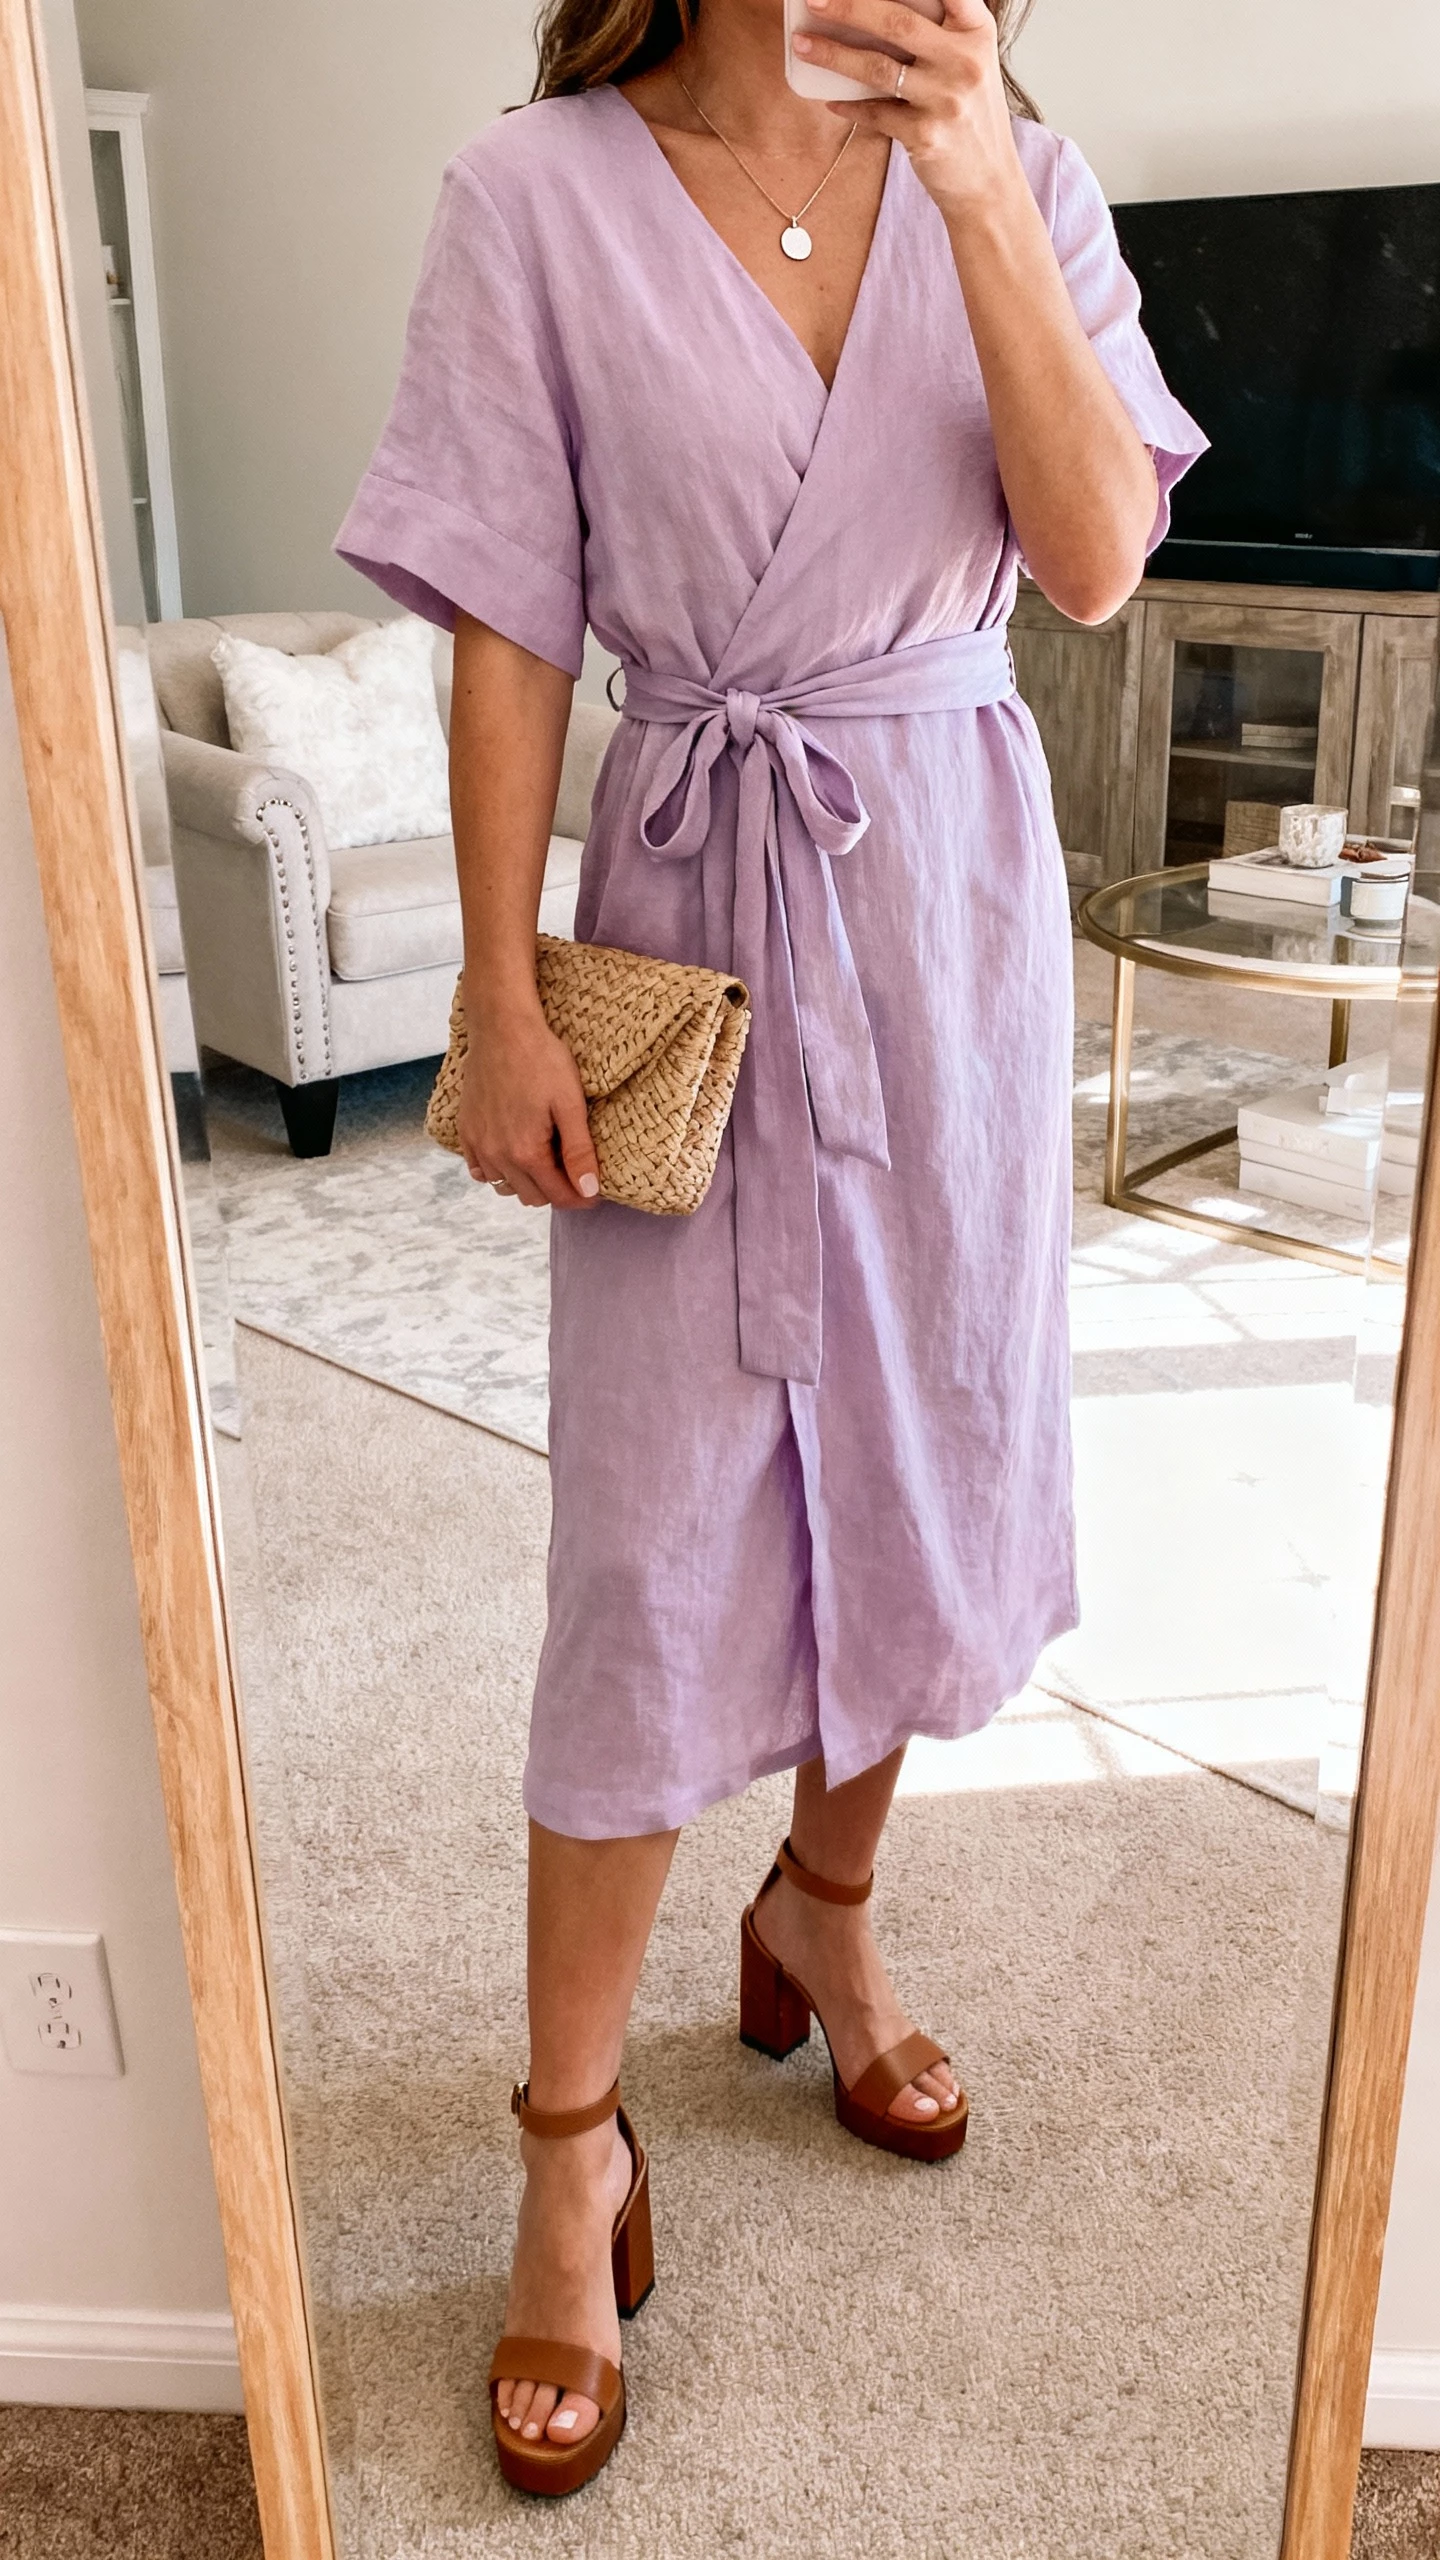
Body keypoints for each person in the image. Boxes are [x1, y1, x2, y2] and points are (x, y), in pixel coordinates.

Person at [337, 0, 1205, 2495]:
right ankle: (564, 2139)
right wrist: (499, 985)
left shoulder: (1017, 176)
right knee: (649, 1545)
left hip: (941, 903)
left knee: (919, 1446)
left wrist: (969, 191)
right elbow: (505, 618)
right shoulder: (538, 200)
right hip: (699, 899)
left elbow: (1096, 555)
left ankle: (826, 1906)